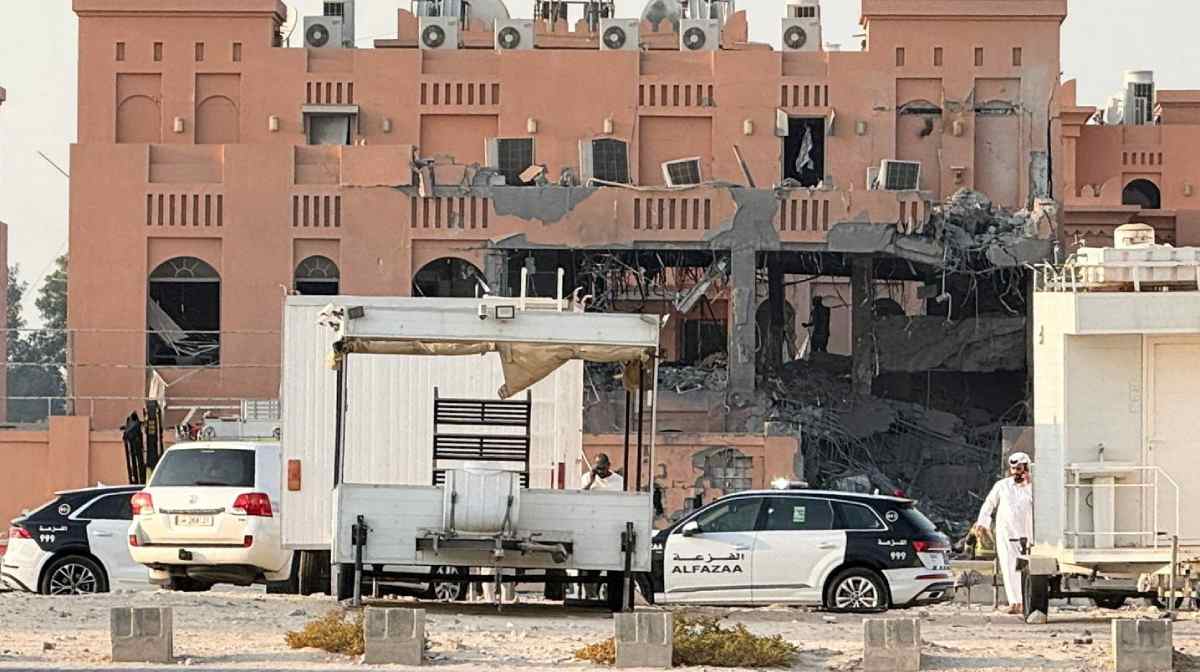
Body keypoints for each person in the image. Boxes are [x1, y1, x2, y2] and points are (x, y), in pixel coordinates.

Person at [973, 452, 1034, 615]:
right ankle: (1014, 602)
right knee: (1008, 566)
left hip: (1028, 534)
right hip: (1006, 533)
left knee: (1026, 569)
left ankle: (1025, 601)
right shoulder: (1002, 485)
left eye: (1019, 468)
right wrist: (982, 523)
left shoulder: (1034, 488)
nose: (1016, 472)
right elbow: (989, 504)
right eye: (1013, 469)